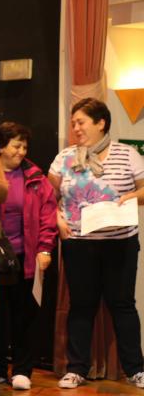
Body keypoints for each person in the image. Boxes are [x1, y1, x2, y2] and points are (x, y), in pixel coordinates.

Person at [49, 97, 144, 389]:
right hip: (78, 244)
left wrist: (132, 197)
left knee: (123, 305)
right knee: (81, 306)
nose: (76, 128)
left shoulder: (127, 154)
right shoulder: (64, 157)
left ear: (101, 123)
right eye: (73, 123)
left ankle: (136, 369)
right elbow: (46, 197)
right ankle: (76, 368)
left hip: (120, 244)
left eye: (81, 122)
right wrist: (58, 220)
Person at [0, 122, 57, 390]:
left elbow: (48, 216)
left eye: (24, 146)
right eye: (16, 145)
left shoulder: (35, 177)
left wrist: (44, 248)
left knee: (24, 316)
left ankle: (22, 369)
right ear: (0, 147)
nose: (21, 151)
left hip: (25, 259)